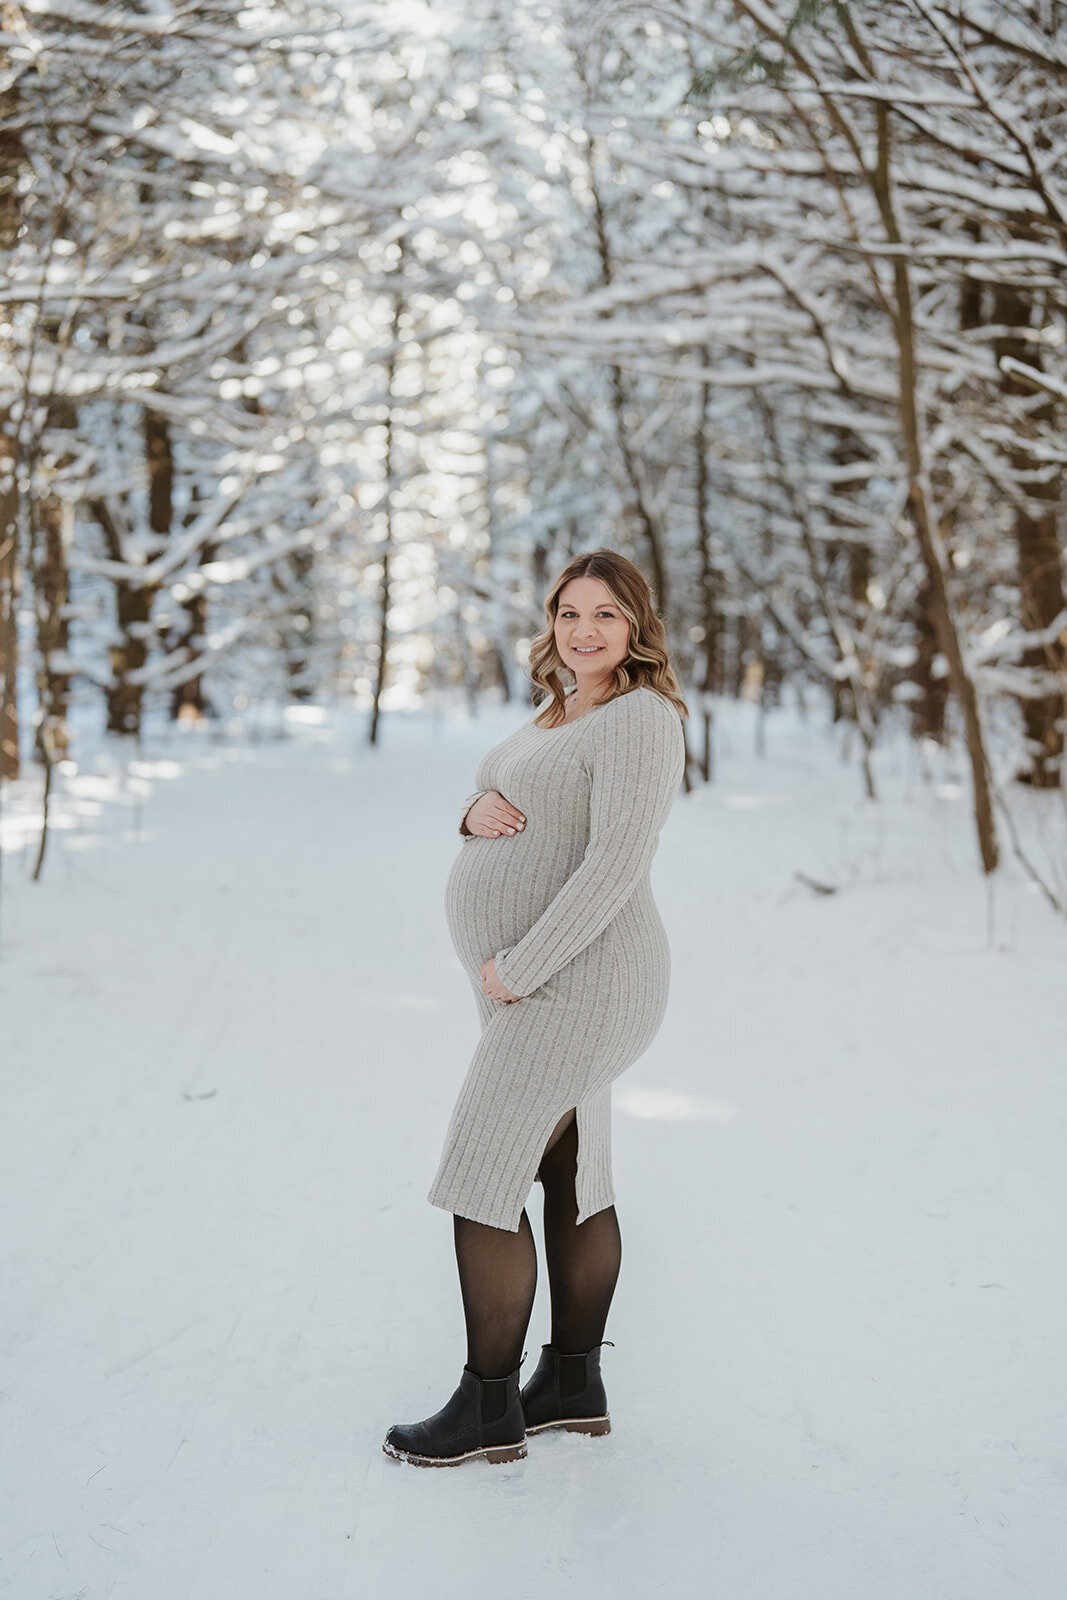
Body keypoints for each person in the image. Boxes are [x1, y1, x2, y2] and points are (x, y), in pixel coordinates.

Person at [383, 548, 687, 1468]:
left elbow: (614, 863)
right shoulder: (563, 707)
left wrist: (524, 964)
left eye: (605, 614)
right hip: (539, 980)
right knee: (569, 1168)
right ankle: (570, 1384)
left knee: (483, 1175)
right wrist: (471, 809)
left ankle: (486, 1408)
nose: (585, 630)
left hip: (579, 979)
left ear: (636, 626)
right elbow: (516, 800)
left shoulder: (640, 718)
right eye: (568, 614)